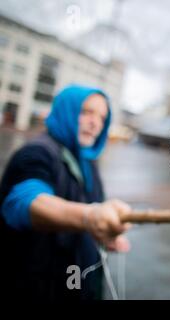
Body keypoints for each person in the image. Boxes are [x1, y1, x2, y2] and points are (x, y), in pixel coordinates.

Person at [0, 84, 131, 300]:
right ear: (66, 110)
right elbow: (24, 202)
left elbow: (89, 205)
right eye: (87, 112)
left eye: (102, 117)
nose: (95, 123)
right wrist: (89, 216)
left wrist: (103, 234)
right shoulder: (37, 152)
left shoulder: (87, 160)